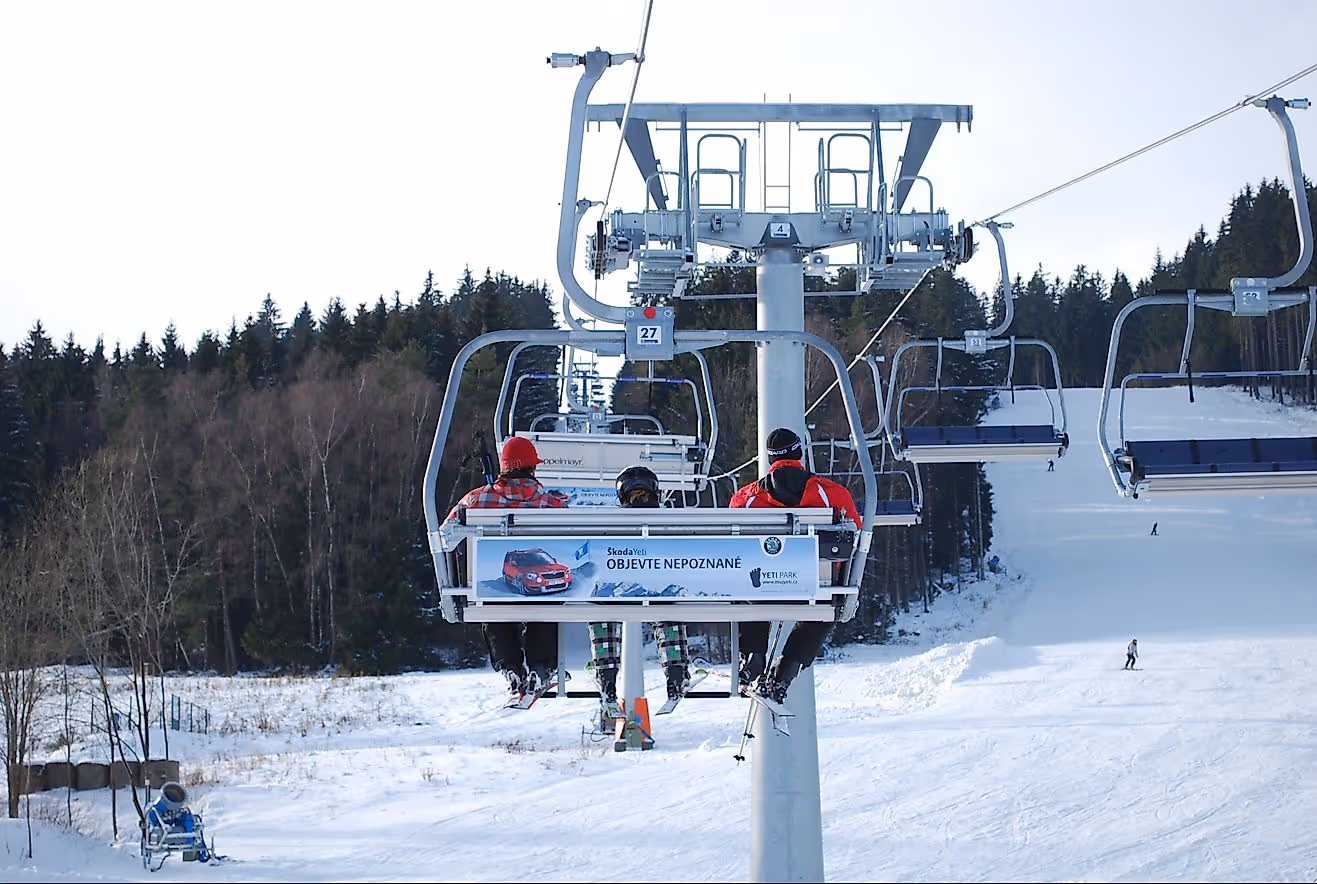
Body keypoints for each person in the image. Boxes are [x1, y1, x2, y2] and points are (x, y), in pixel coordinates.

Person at [728, 427, 861, 704]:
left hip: (761, 590)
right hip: (815, 588)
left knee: (747, 587)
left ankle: (752, 655)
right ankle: (787, 670)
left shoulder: (746, 498)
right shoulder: (832, 494)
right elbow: (855, 534)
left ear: (769, 458)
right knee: (825, 605)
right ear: (799, 453)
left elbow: (731, 540)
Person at [444, 436, 567, 701]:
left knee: (492, 606)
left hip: (488, 596)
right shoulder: (553, 504)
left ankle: (510, 667)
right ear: (532, 468)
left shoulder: (475, 500)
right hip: (541, 593)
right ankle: (541, 666)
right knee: (546, 604)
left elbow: (446, 533)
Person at [588, 465, 692, 717]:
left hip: (621, 592)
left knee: (602, 611)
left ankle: (607, 679)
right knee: (667, 611)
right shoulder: (668, 521)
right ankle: (676, 672)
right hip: (658, 591)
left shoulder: (612, 524)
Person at [144, 781, 210, 862]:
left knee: (187, 821)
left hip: (167, 831)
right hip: (161, 832)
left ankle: (191, 848)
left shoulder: (175, 810)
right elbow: (154, 820)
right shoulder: (154, 811)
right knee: (163, 832)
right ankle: (189, 843)